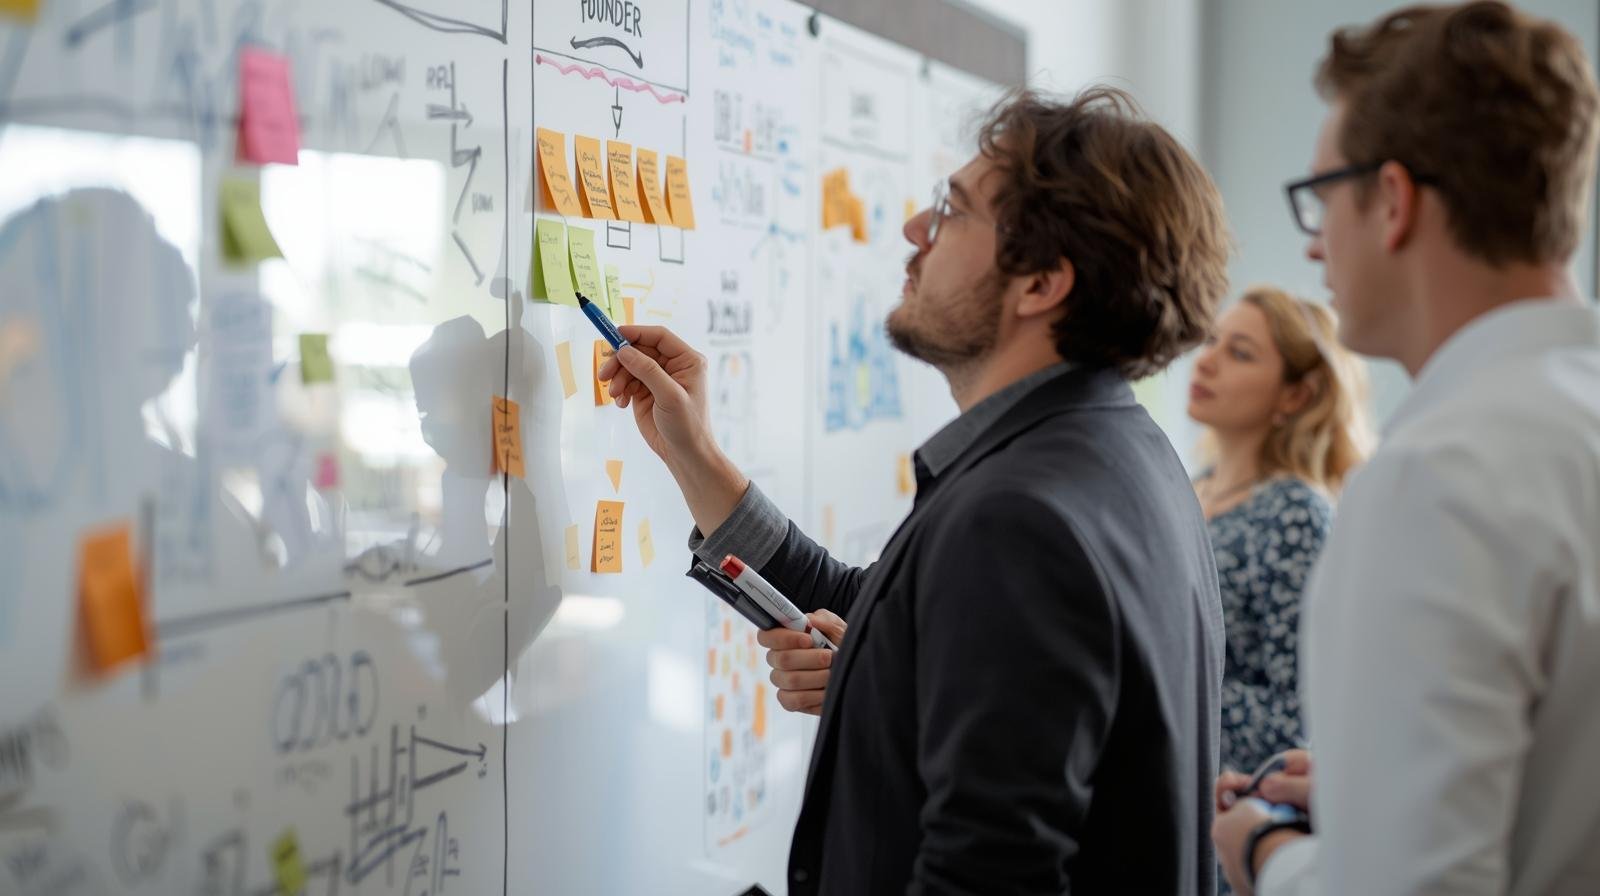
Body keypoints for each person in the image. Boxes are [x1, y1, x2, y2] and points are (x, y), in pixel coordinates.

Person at [601, 86, 1232, 894]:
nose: (913, 230)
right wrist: (695, 455)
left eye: (952, 210)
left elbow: (987, 877)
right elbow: (878, 611)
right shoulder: (1120, 452)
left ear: (1041, 282)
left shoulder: (1019, 518)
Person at [1210, 3, 1600, 894]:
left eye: (1321, 198)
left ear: (1392, 201)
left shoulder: (1437, 476)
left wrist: (1265, 854)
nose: (1316, 245)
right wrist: (1372, 791)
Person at [1189, 287, 1372, 776]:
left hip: (1230, 803)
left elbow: (1300, 718)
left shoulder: (1294, 514)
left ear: (1296, 395)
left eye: (1240, 353)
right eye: (1211, 341)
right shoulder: (1190, 489)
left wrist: (1164, 689)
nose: (1206, 362)